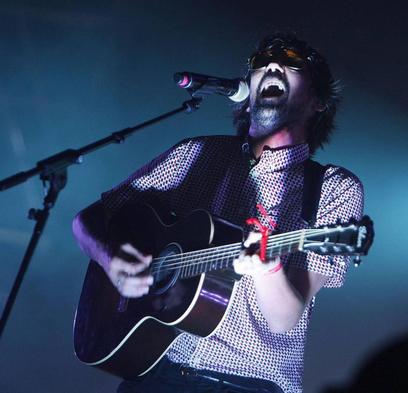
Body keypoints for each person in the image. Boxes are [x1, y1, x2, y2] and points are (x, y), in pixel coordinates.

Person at [72, 32, 364, 393]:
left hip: (248, 384)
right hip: (154, 373)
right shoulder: (194, 154)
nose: (272, 64)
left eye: (291, 60)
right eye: (261, 61)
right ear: (247, 90)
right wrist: (111, 259)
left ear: (318, 100)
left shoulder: (332, 189)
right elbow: (87, 220)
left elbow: (284, 319)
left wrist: (267, 267)